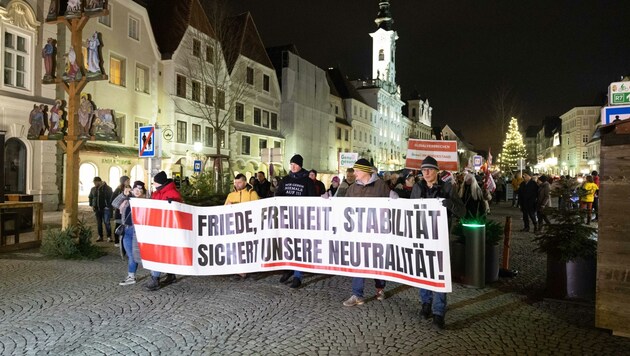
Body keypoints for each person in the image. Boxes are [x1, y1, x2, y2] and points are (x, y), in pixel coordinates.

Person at [410, 156, 465, 330]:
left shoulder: (448, 187)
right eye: (423, 170)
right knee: (423, 272)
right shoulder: (418, 188)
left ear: (437, 171)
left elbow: (462, 212)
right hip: (422, 237)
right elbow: (410, 210)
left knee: (439, 274)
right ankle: (426, 304)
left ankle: (439, 312)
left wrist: (450, 204)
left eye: (429, 170)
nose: (425, 173)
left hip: (440, 238)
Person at [343, 158, 399, 307]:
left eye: (356, 170)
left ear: (364, 171)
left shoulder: (381, 186)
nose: (354, 173)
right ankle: (357, 294)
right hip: (358, 232)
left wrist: (395, 199)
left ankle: (380, 289)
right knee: (358, 261)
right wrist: (328, 201)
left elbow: (394, 202)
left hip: (377, 232)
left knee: (377, 261)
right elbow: (342, 204)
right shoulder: (353, 188)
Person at [275, 154, 317, 288]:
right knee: (287, 246)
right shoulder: (285, 180)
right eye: (291, 164)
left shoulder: (307, 181)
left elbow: (313, 199)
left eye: (295, 164)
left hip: (301, 219)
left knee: (298, 247)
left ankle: (297, 276)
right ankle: (288, 269)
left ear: (300, 165)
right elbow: (277, 196)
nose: (293, 167)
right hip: (286, 218)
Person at [145, 171, 183, 291]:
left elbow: (178, 209)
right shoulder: (157, 193)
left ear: (160, 183)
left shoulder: (172, 193)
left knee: (158, 253)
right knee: (165, 253)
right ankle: (171, 275)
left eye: (155, 182)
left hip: (167, 228)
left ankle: (155, 279)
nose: (153, 184)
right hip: (158, 226)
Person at [225, 173, 260, 280]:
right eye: (235, 182)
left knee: (249, 248)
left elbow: (257, 208)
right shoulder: (231, 195)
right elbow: (224, 209)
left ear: (245, 182)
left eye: (239, 182)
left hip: (248, 225)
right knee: (237, 248)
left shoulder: (252, 193)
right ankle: (240, 271)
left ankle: (251, 269)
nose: (237, 184)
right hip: (235, 226)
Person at [115, 181, 146, 286]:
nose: (138, 192)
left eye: (140, 190)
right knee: (130, 254)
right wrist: (124, 195)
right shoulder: (127, 200)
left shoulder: (145, 202)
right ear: (132, 190)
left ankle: (131, 276)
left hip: (136, 231)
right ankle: (131, 275)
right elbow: (114, 204)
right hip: (126, 231)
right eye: (136, 189)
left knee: (133, 255)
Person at [88, 177, 113, 242]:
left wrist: (108, 206)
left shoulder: (108, 188)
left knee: (107, 223)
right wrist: (92, 205)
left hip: (105, 209)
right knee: (99, 223)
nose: (94, 183)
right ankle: (100, 236)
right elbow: (90, 197)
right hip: (97, 209)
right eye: (94, 182)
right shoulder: (93, 189)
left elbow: (111, 198)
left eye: (95, 182)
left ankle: (109, 236)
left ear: (99, 181)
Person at [112, 175, 130, 246]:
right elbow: (113, 200)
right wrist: (121, 206)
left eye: (129, 180)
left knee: (125, 226)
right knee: (118, 226)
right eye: (127, 181)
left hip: (126, 211)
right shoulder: (118, 190)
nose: (129, 182)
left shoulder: (129, 188)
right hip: (118, 212)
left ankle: (122, 241)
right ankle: (116, 241)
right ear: (123, 181)